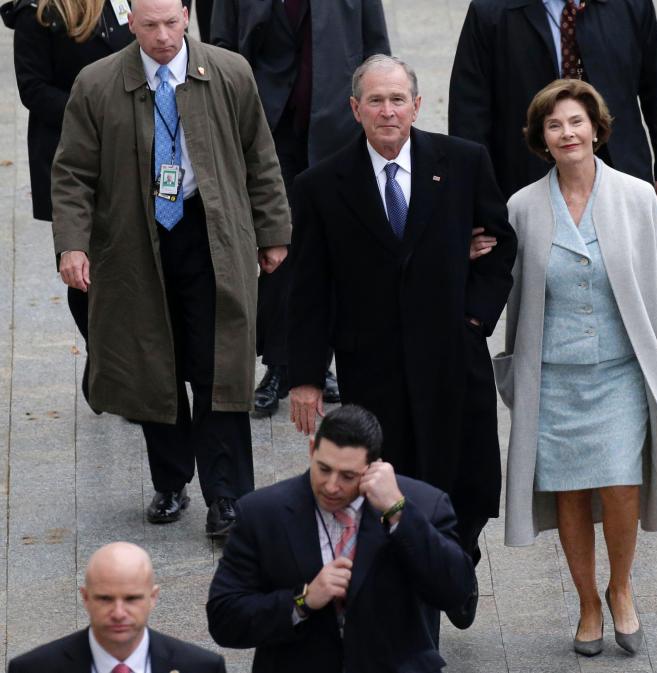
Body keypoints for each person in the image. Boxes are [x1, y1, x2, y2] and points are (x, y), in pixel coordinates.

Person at [495, 80, 657, 656]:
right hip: (553, 376)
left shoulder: (635, 197)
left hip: (622, 372)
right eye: (554, 126)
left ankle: (621, 587)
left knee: (622, 486)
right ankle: (586, 604)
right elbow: (506, 291)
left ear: (597, 128)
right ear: (542, 139)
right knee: (568, 493)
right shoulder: (522, 208)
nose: (567, 133)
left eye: (576, 122)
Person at [286, 54, 516, 626]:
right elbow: (310, 289)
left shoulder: (461, 163)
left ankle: (457, 562)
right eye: (375, 101)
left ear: (417, 105)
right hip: (376, 369)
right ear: (355, 109)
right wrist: (307, 377)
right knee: (394, 484)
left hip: (452, 359)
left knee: (470, 480)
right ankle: (419, 597)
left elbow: (499, 248)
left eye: (397, 100)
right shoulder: (321, 185)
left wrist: (473, 320)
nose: (387, 111)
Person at [51, 0, 291, 537]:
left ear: (188, 15)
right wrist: (72, 245)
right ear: (130, 22)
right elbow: (72, 173)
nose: (162, 36)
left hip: (213, 239)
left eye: (171, 23)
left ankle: (228, 496)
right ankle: (171, 480)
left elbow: (261, 156)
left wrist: (272, 231)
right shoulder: (97, 83)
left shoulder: (229, 72)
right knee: (151, 363)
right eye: (149, 24)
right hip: (136, 243)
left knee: (218, 367)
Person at [211, 0, 390, 416]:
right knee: (277, 248)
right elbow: (222, 44)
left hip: (335, 129)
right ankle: (278, 364)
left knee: (335, 247)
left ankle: (322, 362)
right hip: (267, 128)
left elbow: (377, 49)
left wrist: (378, 121)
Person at [207, 405, 475, 672]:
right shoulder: (262, 513)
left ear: (373, 468)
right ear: (312, 449)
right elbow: (224, 618)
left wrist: (398, 513)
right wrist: (302, 600)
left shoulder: (426, 505)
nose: (332, 486)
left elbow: (455, 591)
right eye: (323, 469)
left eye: (348, 476)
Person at [3, 0, 133, 407]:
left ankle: (121, 363)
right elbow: (33, 89)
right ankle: (107, 362)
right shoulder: (38, 15)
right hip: (70, 158)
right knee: (84, 269)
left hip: (131, 152)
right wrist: (95, 114)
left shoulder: (125, 4)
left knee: (131, 263)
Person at [448, 0, 657, 214]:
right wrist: (475, 192)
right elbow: (469, 110)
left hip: (620, 164)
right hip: (524, 170)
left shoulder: (631, 5)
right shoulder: (490, 12)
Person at [8, 542, 226, 672]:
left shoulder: (200, 667)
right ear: (85, 598)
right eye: (105, 599)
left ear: (153, 597)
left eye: (131, 599)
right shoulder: (33, 669)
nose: (119, 613)